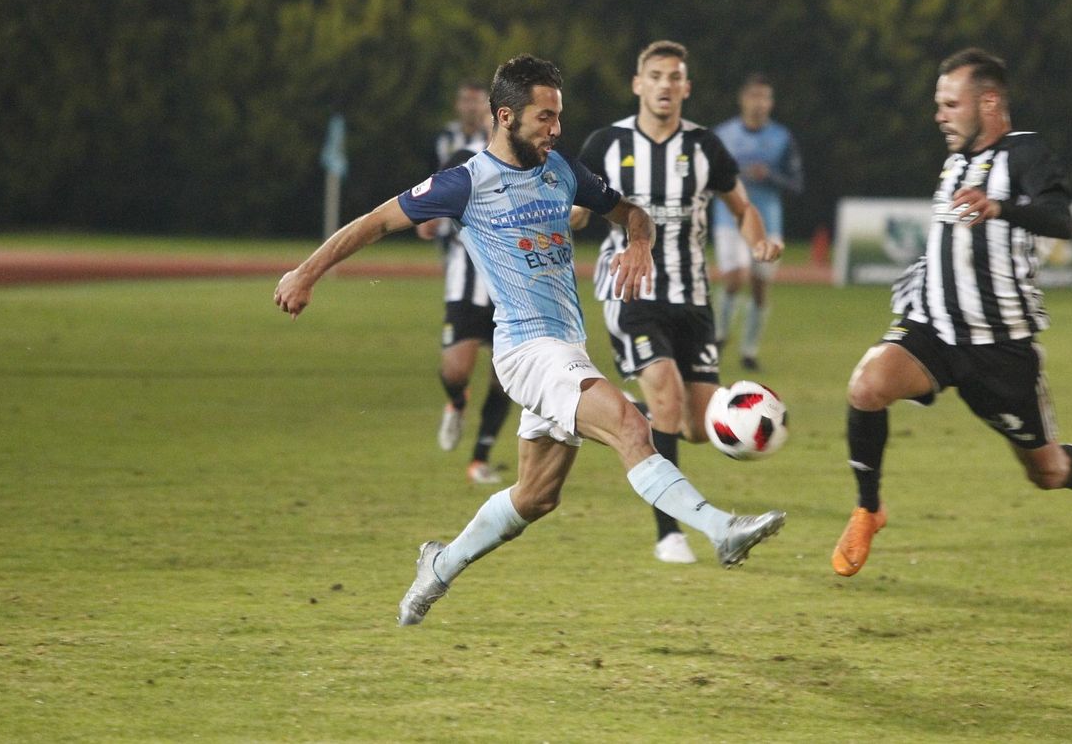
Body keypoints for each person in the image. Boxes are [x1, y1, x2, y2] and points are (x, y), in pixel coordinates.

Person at [274, 54, 786, 627]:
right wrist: (306, 273)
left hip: (567, 349)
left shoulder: (561, 171)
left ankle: (438, 566)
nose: (556, 129)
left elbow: (630, 212)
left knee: (537, 496)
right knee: (630, 425)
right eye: (545, 117)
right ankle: (721, 529)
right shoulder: (464, 183)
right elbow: (373, 221)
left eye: (558, 116)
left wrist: (638, 240)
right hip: (526, 351)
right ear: (505, 116)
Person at [831, 47, 1072, 578]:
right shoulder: (955, 162)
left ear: (989, 102)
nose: (939, 114)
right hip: (935, 329)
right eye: (939, 104)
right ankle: (868, 508)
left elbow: (1061, 219)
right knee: (866, 386)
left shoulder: (1024, 153)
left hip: (1000, 347)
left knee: (1046, 471)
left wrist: (1001, 207)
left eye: (950, 103)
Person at [575, 41, 782, 565]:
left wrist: (757, 240)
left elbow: (742, 207)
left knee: (694, 426)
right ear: (638, 84)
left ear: (686, 88)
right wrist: (568, 216)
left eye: (675, 77)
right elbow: (575, 207)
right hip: (631, 292)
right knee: (667, 398)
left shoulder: (706, 147)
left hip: (692, 298)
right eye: (656, 76)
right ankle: (670, 533)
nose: (666, 85)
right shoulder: (606, 143)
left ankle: (623, 416)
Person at [415, 79, 513, 483]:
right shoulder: (458, 152)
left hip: (511, 282)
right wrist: (428, 217)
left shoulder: (534, 157)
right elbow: (432, 198)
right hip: (465, 274)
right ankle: (457, 401)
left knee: (505, 375)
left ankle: (480, 458)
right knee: (456, 369)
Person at [711, 73, 803, 372]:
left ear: (771, 103)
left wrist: (771, 176)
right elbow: (704, 175)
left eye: (765, 97)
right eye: (754, 96)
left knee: (760, 286)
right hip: (729, 219)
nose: (759, 103)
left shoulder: (782, 138)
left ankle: (749, 351)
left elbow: (796, 184)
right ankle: (720, 334)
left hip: (768, 222)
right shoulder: (722, 135)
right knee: (735, 277)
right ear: (743, 99)